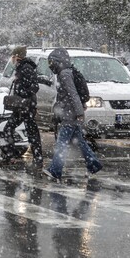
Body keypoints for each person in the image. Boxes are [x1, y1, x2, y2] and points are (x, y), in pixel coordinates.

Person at [43, 47, 103, 181]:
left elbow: (73, 94)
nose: (51, 66)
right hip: (71, 113)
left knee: (62, 144)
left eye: (52, 63)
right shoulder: (66, 72)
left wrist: (79, 112)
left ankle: (55, 170)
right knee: (80, 142)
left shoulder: (64, 74)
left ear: (58, 62)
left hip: (70, 114)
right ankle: (94, 165)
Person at [0, 46, 44, 173]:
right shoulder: (21, 68)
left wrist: (23, 96)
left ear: (17, 56)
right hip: (22, 108)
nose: (11, 59)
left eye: (13, 56)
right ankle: (10, 155)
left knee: (31, 133)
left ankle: (36, 160)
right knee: (12, 129)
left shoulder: (26, 68)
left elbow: (34, 87)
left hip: (26, 108)